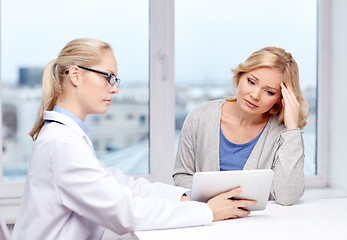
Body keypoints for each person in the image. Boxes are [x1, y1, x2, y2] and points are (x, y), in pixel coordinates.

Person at [11, 38, 257, 240]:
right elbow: (124, 212)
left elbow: (122, 185)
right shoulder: (62, 144)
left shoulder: (66, 137)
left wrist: (186, 198)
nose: (115, 88)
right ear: (75, 75)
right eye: (108, 77)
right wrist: (206, 211)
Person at [173, 47, 308, 206]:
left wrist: (292, 127)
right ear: (240, 76)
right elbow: (182, 176)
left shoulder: (283, 134)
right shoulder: (200, 117)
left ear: (281, 98)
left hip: (258, 226)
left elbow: (287, 196)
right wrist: (215, 207)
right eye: (251, 82)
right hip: (207, 221)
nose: (255, 95)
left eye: (269, 92)